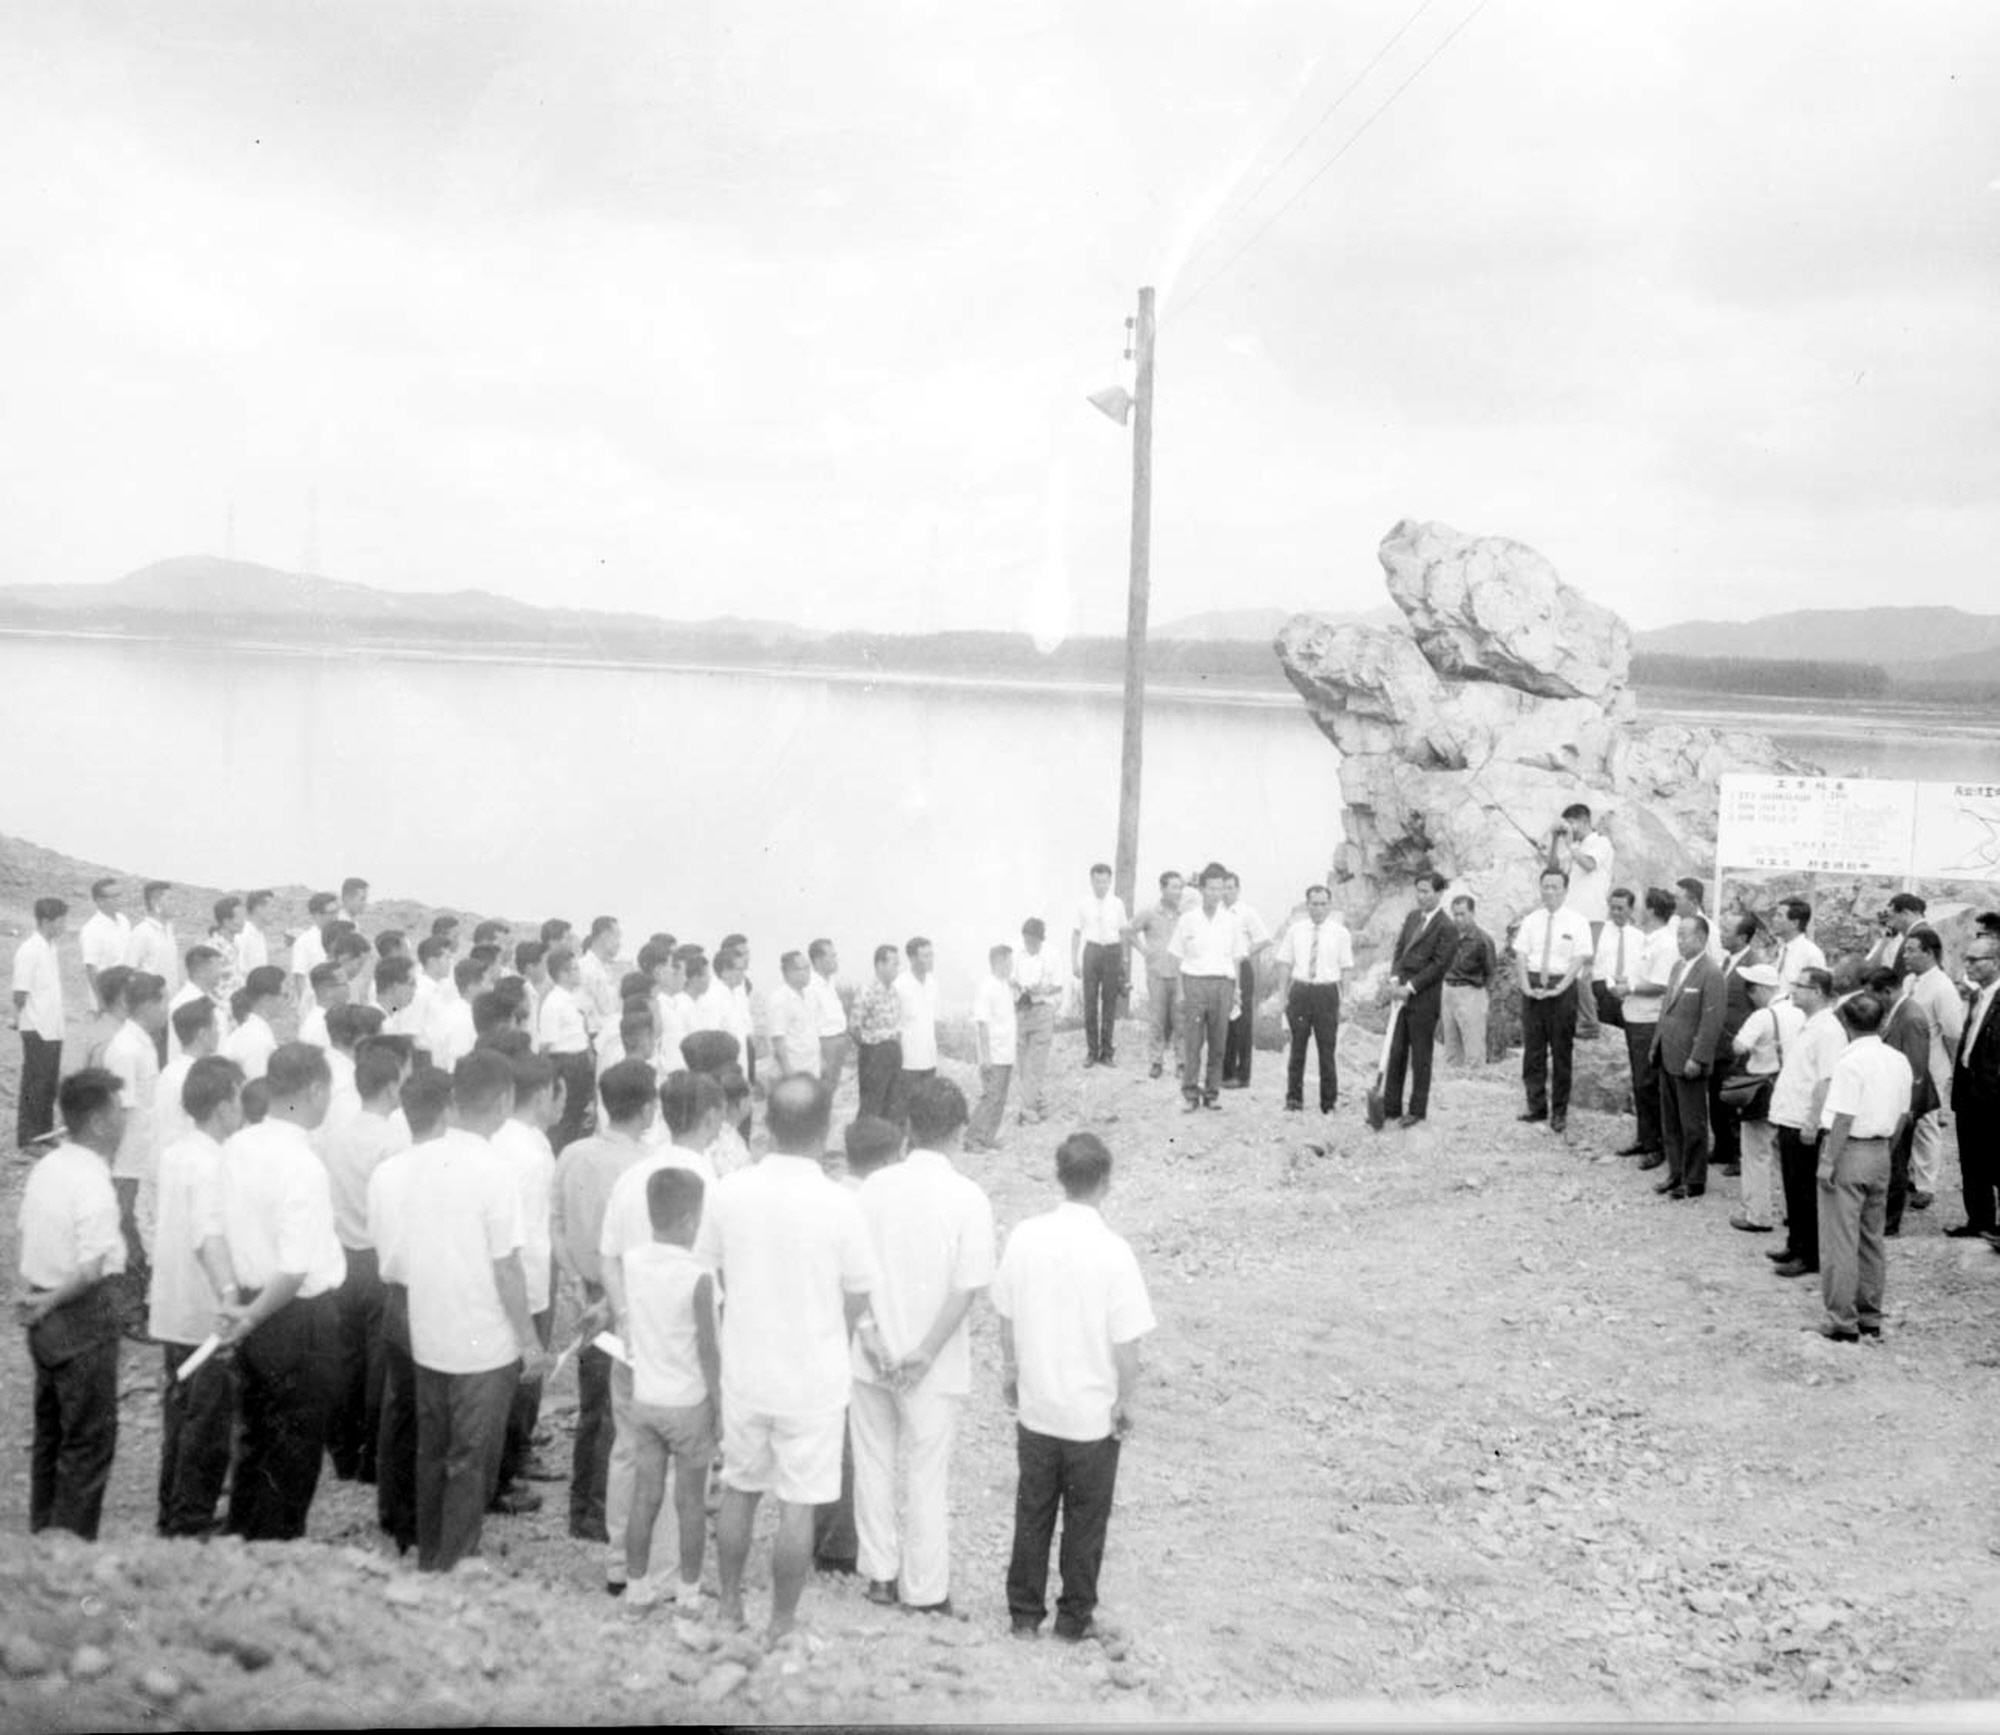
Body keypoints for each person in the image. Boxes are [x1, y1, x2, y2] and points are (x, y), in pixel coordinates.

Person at [695, 1074, 881, 1645]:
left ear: (767, 1124)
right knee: (798, 1505)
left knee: (740, 1489)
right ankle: (780, 1622)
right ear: (825, 1129)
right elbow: (858, 1294)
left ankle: (728, 1608)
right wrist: (831, 1330)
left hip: (747, 1367)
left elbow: (708, 1280)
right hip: (813, 1375)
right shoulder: (841, 1204)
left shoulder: (729, 1192)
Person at [993, 1130, 1154, 1643]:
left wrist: (1013, 1369)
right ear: (1105, 1182)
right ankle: (1073, 1617)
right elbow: (1127, 1344)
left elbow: (1006, 1315)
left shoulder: (1025, 1237)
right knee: (1086, 1521)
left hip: (1039, 1406)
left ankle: (1022, 1613)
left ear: (1059, 1176)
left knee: (1033, 1509)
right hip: (1090, 1416)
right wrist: (1126, 1400)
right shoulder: (1114, 1252)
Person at [848, 1078, 995, 1615]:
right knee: (927, 1475)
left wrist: (872, 1338)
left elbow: (852, 1275)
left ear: (908, 1127)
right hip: (932, 1363)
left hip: (873, 1354)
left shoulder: (873, 1190)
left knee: (874, 1462)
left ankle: (880, 1574)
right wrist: (927, 1351)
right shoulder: (968, 1198)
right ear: (958, 1131)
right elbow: (967, 1287)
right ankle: (925, 1588)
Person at [401, 1051, 546, 1572]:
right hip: (482, 1338)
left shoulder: (417, 1161)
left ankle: (430, 1554)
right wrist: (528, 1340)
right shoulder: (495, 1171)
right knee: (470, 1458)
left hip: (428, 1327)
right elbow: (507, 1267)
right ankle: (458, 1560)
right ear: (504, 1100)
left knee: (432, 1451)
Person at [214, 1042, 346, 1541]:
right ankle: (277, 1556)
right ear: (314, 1090)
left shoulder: (237, 1146)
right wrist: (250, 1317)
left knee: (256, 1439)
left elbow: (216, 1231)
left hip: (252, 1300)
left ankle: (247, 1544)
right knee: (293, 1452)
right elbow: (294, 1269)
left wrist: (236, 1303)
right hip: (296, 1317)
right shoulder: (301, 1163)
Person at [598, 1068, 723, 1593]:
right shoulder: (709, 1186)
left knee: (629, 1452)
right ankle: (670, 1577)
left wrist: (626, 1316)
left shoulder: (635, 1175)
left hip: (632, 1344)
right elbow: (720, 1279)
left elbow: (607, 1258)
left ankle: (621, 1566)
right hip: (685, 1353)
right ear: (714, 1117)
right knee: (680, 1471)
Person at [16, 1068, 128, 1540]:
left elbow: (25, 1234)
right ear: (100, 1121)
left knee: (51, 1438)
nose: (126, 1121)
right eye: (119, 1112)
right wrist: (50, 1302)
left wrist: (34, 1298)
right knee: (86, 1446)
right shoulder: (93, 1183)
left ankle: (44, 1544)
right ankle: (72, 1559)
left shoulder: (49, 1167)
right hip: (80, 1316)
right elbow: (88, 1269)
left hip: (45, 1314)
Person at [550, 1059, 658, 1547]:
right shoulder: (644, 1166)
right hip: (623, 1294)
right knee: (616, 1409)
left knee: (593, 1405)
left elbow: (554, 1222)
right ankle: (597, 1512)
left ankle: (584, 1507)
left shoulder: (572, 1153)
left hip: (584, 1288)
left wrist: (572, 1280)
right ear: (649, 1108)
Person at [149, 1054, 245, 1536]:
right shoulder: (213, 1162)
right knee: (207, 1424)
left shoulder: (176, 1152)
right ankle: (190, 1520)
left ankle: (172, 1512)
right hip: (205, 1312)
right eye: (238, 1097)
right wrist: (229, 1295)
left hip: (172, 1306)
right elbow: (208, 1237)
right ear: (223, 1104)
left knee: (180, 1417)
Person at [618, 1167, 722, 1611]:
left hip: (646, 1398)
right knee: (690, 1504)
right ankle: (689, 1594)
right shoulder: (698, 1275)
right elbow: (708, 1349)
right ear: (688, 1221)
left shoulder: (634, 1261)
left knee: (645, 1497)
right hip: (688, 1403)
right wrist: (720, 1406)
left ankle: (637, 1588)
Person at [365, 1066, 453, 1554]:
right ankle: (425, 1519)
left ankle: (395, 1511)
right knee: (435, 1410)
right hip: (437, 1295)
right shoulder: (445, 1170)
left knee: (401, 1407)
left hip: (396, 1294)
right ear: (447, 1110)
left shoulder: (388, 1170)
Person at [814, 1115, 905, 1577]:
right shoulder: (867, 1206)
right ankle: (839, 1543)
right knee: (852, 1437)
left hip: (814, 1324)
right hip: (850, 1328)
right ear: (890, 1159)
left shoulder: (828, 1194)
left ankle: (819, 1529)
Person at [317, 1042, 411, 1483]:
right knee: (380, 1362)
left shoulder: (332, 1135)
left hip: (340, 1256)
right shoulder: (394, 1138)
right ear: (392, 1087)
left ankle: (343, 1449)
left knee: (345, 1358)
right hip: (376, 1256)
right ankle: (373, 1451)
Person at [1814, 992, 1911, 1342]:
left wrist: (1828, 1161)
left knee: (1839, 1238)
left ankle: (1841, 1319)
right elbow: (1904, 1114)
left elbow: (1842, 1117)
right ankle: (1870, 1314)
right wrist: (1886, 1149)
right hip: (1881, 1150)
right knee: (1872, 1238)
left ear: (1845, 1024)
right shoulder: (1898, 1060)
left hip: (1850, 1150)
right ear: (1882, 1022)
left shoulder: (1849, 1063)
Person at [493, 1053, 564, 1510]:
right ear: (542, 1095)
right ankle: (505, 1473)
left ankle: (516, 1457)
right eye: (560, 1093)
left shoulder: (530, 1139)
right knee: (521, 1376)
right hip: (528, 1274)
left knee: (524, 1380)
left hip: (536, 1268)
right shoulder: (521, 1151)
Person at [1768, 969, 1846, 1280]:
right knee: (1792, 1184)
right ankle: (1795, 1242)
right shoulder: (1810, 1024)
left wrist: (1813, 1120)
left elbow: (1826, 1079)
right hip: (1791, 1116)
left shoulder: (1828, 1029)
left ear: (1816, 991)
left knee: (1804, 1190)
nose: (1793, 991)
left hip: (1805, 1119)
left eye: (1799, 986)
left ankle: (1809, 1253)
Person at [1648, 915, 1726, 1200]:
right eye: (1678, 935)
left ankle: (1694, 1179)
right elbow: (1666, 1010)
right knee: (1671, 1120)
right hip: (1668, 1054)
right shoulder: (1677, 967)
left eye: (1686, 936)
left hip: (1689, 1059)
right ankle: (1675, 1172)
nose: (1680, 941)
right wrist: (1655, 1044)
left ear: (1702, 939)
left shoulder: (1711, 973)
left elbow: (1711, 1022)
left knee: (1692, 1123)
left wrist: (1699, 1057)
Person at [1513, 867, 1594, 1134]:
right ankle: (1536, 1106)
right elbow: (1522, 956)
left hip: (1562, 990)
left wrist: (1559, 989)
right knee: (1533, 1052)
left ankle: (1559, 1112)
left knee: (1561, 1053)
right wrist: (1526, 986)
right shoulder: (1531, 920)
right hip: (1533, 988)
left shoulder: (1577, 921)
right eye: (1545, 886)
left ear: (1565, 890)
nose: (1549, 892)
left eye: (1555, 887)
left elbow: (1579, 960)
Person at [1724, 965, 1800, 1234]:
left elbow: (1739, 1046)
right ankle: (1795, 1212)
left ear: (1764, 989)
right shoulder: (1798, 1012)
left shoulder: (1762, 1016)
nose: (1750, 994)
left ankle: (1759, 1214)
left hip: (1764, 1087)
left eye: (1752, 988)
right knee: (1788, 1155)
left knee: (1756, 1152)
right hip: (1792, 1087)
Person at [103, 970, 166, 1288]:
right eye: (162, 1002)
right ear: (147, 1006)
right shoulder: (126, 1048)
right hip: (129, 1159)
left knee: (140, 1224)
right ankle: (129, 1306)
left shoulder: (143, 1043)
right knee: (128, 1227)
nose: (165, 1010)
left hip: (143, 1154)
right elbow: (120, 1111)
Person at [1168, 863, 1247, 1113]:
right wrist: (1181, 991)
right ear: (1202, 889)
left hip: (1222, 985)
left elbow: (1237, 958)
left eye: (1220, 889)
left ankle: (1212, 1093)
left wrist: (1236, 990)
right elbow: (1177, 958)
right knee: (1193, 1042)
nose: (1216, 893)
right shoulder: (1188, 920)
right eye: (1211, 888)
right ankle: (1191, 1093)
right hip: (1195, 984)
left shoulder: (1231, 921)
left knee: (1218, 1043)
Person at [1380, 871, 1456, 1130]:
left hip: (1424, 997)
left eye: (1426, 891)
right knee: (1396, 1049)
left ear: (1439, 893)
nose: (1421, 896)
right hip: (1400, 992)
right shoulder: (1413, 917)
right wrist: (1394, 981)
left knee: (1421, 1054)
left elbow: (1438, 965)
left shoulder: (1447, 926)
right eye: (1418, 891)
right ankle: (1390, 1108)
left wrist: (1410, 987)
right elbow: (1400, 949)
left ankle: (1416, 1110)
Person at [1610, 888, 1677, 1163]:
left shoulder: (1666, 944)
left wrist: (1630, 987)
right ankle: (1645, 1136)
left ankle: (1656, 1146)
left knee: (1648, 1083)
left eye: (1642, 905)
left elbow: (1661, 984)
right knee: (1640, 1082)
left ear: (1651, 910)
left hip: (1649, 1019)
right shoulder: (1648, 940)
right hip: (1635, 1015)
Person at [1273, 885, 1352, 1114]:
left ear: (1329, 905)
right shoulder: (1295, 930)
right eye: (1314, 904)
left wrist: (1346, 1000)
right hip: (1300, 992)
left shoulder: (1340, 933)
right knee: (1297, 1048)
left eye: (1323, 904)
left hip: (1326, 993)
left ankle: (1328, 1103)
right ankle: (1294, 1099)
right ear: (1307, 905)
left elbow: (1346, 968)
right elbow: (1285, 963)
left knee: (1327, 1050)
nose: (1318, 909)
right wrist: (1282, 995)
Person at [1900, 926, 1964, 1215]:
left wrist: (1953, 1068)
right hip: (1906, 1062)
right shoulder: (1910, 981)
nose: (1906, 954)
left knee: (1926, 1123)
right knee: (1905, 1119)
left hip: (1931, 1065)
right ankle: (1909, 1175)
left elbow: (1952, 1031)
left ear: (1929, 953)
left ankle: (1926, 1185)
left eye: (1912, 949)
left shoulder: (1942, 987)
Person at [1872, 966, 1936, 1237]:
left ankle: (1890, 1222)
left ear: (1887, 991)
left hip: (1904, 1103)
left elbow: (1916, 1069)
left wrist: (1907, 1109)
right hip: (1896, 1100)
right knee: (1893, 1159)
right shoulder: (1899, 1011)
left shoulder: (1911, 1017)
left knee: (1897, 1161)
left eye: (1875, 997)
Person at [1947, 931, 2000, 1240]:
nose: (1967, 964)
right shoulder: (1979, 996)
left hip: (1992, 1097)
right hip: (1969, 1093)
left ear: (1994, 962)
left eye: (1974, 959)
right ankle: (1979, 1220)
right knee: (1972, 1161)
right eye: (1966, 958)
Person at [1707, 913, 1765, 1178]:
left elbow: (1759, 1008)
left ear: (1742, 937)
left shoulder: (1753, 966)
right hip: (1719, 1044)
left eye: (1727, 929)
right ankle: (1721, 1148)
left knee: (1735, 1101)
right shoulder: (1727, 960)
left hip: (1738, 1044)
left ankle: (1738, 1156)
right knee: (1717, 1100)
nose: (1721, 933)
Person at [1551, 803, 1614, 1035]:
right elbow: (1554, 870)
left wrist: (1569, 844)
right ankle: (1577, 1017)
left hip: (1592, 916)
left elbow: (1588, 864)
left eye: (1571, 825)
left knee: (1583, 971)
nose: (1570, 830)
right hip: (1572, 917)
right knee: (1568, 968)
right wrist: (1556, 841)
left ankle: (1588, 1022)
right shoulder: (1574, 846)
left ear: (1581, 821)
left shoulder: (1601, 843)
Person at [12, 896, 67, 1155]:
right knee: (35, 1082)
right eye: (60, 920)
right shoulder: (29, 950)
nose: (63, 925)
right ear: (46, 921)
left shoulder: (51, 947)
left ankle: (44, 1133)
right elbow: (20, 993)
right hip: (36, 1027)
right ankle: (28, 1138)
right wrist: (22, 1019)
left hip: (52, 1026)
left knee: (48, 1082)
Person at [1124, 871, 1184, 1081]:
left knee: (1180, 1019)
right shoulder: (1149, 913)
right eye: (1173, 887)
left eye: (1180, 887)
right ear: (1163, 889)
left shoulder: (1184, 914)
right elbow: (1128, 930)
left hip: (1180, 975)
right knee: (1157, 1019)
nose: (1178, 892)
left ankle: (1182, 1063)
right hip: (1157, 973)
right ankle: (1156, 1062)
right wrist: (1142, 949)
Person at [1072, 863, 1128, 1068]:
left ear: (1110, 881)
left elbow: (1123, 932)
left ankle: (1107, 1052)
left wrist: (1124, 960)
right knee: (1090, 1003)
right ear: (1091, 881)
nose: (1101, 885)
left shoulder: (1117, 903)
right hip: (1092, 952)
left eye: (1105, 881)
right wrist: (1074, 961)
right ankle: (1091, 1052)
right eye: (1097, 881)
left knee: (1110, 1003)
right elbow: (1076, 933)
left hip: (1112, 952)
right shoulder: (1083, 903)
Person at [539, 948, 596, 1152]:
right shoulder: (553, 1002)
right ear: (562, 974)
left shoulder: (569, 998)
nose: (578, 973)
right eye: (574, 969)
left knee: (578, 1117)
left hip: (578, 1062)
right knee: (565, 1120)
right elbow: (546, 1044)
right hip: (565, 1065)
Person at [1219, 873, 1272, 1090]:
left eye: (1231, 888)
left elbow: (1265, 939)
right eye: (1223, 888)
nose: (1227, 892)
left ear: (1238, 889)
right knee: (1224, 1021)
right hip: (1221, 969)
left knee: (1242, 1021)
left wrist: (1244, 953)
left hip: (1241, 968)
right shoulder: (1216, 912)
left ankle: (1243, 1075)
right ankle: (1226, 1072)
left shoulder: (1246, 912)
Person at [1012, 919, 1063, 1121]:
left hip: (1043, 1010)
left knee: (1036, 1062)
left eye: (1033, 940)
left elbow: (1058, 986)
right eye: (1026, 940)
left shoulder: (1052, 956)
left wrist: (1041, 989)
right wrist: (1017, 985)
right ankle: (1039, 1102)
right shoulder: (1017, 954)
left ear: (1041, 939)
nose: (1029, 944)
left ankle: (1028, 1109)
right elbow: (1010, 978)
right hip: (1022, 1010)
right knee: (1023, 1062)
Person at [968, 945, 1017, 1152]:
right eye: (1009, 961)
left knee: (1000, 1098)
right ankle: (973, 1138)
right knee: (991, 1096)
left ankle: (988, 1137)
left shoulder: (1005, 985)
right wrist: (986, 1056)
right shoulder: (986, 987)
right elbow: (982, 1024)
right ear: (999, 961)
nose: (1011, 965)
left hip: (1006, 1053)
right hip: (993, 1054)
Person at [156, 998, 220, 1155]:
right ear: (202, 1034)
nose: (219, 1032)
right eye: (216, 1026)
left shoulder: (169, 1071)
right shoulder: (194, 1076)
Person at [1440, 894, 1498, 1068]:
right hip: (1448, 989)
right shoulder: (1448, 936)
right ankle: (1454, 1086)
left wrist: (1485, 999)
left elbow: (1491, 972)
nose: (1458, 919)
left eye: (1462, 914)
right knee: (1451, 1043)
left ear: (1472, 913)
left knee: (1473, 1046)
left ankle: (1475, 1084)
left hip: (1471, 991)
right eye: (1455, 914)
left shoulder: (1483, 940)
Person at [851, 945, 904, 1122]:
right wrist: (871, 1048)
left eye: (898, 964)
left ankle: (885, 1145)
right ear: (880, 965)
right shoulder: (867, 990)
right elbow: (854, 1027)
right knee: (871, 1104)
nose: (897, 968)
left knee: (892, 1102)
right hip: (874, 1052)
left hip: (893, 1050)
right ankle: (864, 1145)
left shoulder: (895, 992)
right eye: (894, 964)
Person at [894, 938, 940, 1120]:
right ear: (912, 959)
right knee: (905, 1109)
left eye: (931, 955)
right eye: (925, 955)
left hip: (929, 1059)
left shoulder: (933, 984)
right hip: (907, 1062)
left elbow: (934, 1022)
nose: (930, 959)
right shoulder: (899, 985)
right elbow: (894, 1027)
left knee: (926, 1109)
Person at [221, 966, 288, 1082]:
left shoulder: (248, 1031)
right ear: (267, 999)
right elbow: (257, 1091)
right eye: (284, 995)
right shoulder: (258, 1040)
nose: (287, 1001)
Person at [78, 879, 130, 1014]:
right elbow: (91, 969)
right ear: (100, 901)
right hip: (107, 999)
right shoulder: (92, 929)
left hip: (127, 997)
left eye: (120, 895)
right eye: (114, 897)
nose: (120, 899)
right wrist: (101, 1002)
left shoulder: (124, 921)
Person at [806, 940, 851, 1098]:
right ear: (818, 960)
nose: (835, 960)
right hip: (825, 1044)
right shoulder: (810, 985)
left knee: (830, 1089)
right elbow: (809, 1024)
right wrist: (819, 1056)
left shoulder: (829, 981)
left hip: (838, 1040)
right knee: (821, 1090)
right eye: (831, 956)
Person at [126, 880, 182, 1003]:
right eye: (170, 899)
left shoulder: (169, 929)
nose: (176, 904)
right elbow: (129, 971)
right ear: (155, 902)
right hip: (151, 1004)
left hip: (170, 1002)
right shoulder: (142, 932)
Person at [767, 951, 820, 1078]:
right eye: (804, 969)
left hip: (811, 1068)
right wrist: (789, 1073)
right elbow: (778, 1040)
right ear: (789, 972)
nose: (809, 973)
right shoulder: (779, 999)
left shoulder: (808, 995)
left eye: (809, 968)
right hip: (793, 1071)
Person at [1769, 898, 1828, 998]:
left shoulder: (1811, 954)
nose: (1774, 919)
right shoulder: (1782, 950)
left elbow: (1817, 993)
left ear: (1794, 923)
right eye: (1775, 915)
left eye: (1779, 916)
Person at [289, 893, 338, 1003]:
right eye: (331, 913)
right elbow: (299, 979)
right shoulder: (304, 942)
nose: (335, 917)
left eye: (336, 912)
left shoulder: (340, 938)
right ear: (317, 915)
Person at [1864, 892, 1928, 975]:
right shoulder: (1892, 936)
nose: (1890, 924)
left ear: (1905, 914)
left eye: (1891, 917)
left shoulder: (1918, 937)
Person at [296, 960, 345, 1051]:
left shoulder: (332, 1019)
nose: (348, 988)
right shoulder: (317, 1027)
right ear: (327, 991)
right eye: (344, 984)